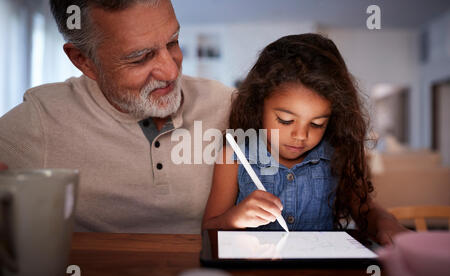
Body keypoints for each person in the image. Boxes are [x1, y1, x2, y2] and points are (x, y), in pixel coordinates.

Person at [0, 0, 233, 233]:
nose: (171, 72)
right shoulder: (42, 118)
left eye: (172, 42)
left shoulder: (227, 104)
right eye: (140, 57)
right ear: (83, 60)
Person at [202, 34, 408, 245]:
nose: (300, 136)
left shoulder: (338, 153)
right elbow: (209, 228)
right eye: (285, 120)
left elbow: (365, 210)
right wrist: (234, 218)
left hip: (320, 274)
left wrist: (384, 221)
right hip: (253, 274)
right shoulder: (234, 157)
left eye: (317, 123)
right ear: (258, 106)